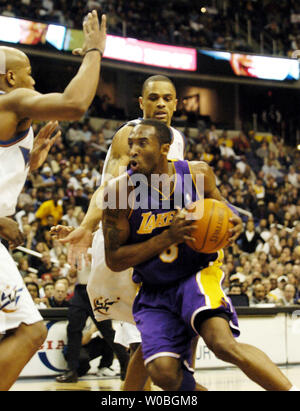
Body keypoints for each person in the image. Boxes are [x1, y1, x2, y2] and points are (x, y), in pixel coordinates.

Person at [102, 119, 297, 391]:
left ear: (164, 149)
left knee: (222, 344)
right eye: (131, 143)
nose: (132, 150)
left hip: (196, 275)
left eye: (142, 143)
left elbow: (222, 207)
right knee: (163, 374)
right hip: (154, 289)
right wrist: (168, 237)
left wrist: (234, 217)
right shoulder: (118, 193)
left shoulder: (197, 175)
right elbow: (114, 260)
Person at [51, 75, 188, 390]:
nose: (161, 104)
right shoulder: (131, 134)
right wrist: (86, 227)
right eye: (154, 98)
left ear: (177, 104)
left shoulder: (175, 138)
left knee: (150, 343)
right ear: (141, 103)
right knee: (152, 341)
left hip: (150, 240)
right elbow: (110, 187)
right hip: (123, 244)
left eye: (168, 98)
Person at [0, 9, 106, 391]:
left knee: (25, 330)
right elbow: (74, 104)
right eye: (28, 72)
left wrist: (26, 164)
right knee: (31, 332)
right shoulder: (11, 101)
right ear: (10, 78)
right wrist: (94, 51)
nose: (33, 80)